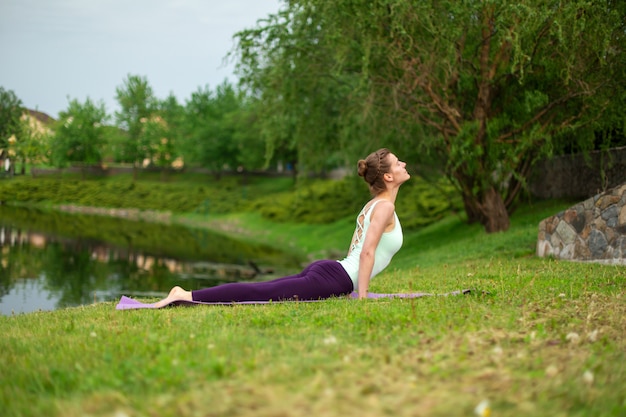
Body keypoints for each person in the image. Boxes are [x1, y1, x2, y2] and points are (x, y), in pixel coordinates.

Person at [154, 148, 410, 308]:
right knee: (262, 292)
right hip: (335, 277)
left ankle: (187, 294)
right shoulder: (384, 207)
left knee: (265, 289)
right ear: (387, 176)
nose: (404, 165)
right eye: (398, 164)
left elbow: (358, 249)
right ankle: (187, 295)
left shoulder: (374, 205)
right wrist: (362, 297)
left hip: (332, 271)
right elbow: (366, 252)